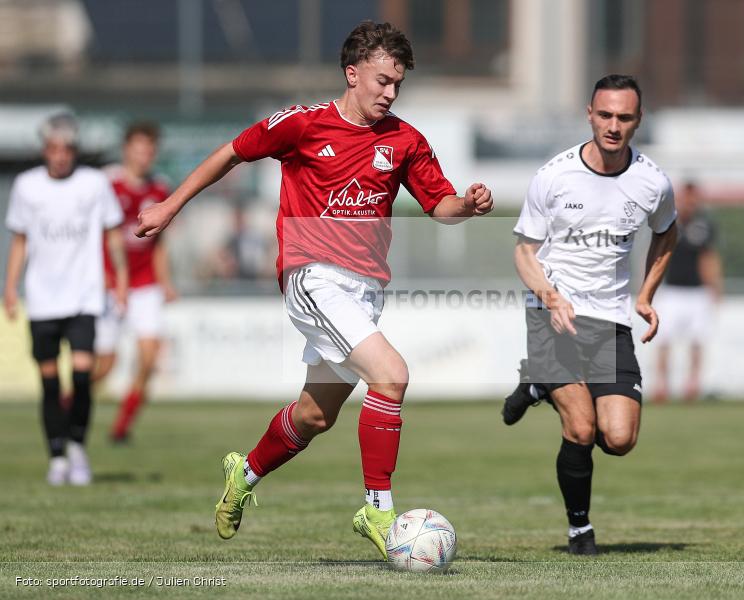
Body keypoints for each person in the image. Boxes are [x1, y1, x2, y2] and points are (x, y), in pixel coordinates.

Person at [134, 21, 493, 559]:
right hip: (312, 275)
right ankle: (378, 510)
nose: (390, 93)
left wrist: (467, 205)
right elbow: (230, 153)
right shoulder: (301, 125)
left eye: (397, 84)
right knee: (391, 376)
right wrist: (169, 206)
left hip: (365, 289)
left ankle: (244, 473)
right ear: (353, 74)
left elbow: (438, 206)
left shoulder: (406, 140)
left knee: (314, 416)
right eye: (381, 81)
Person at [501, 75, 677, 554]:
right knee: (580, 428)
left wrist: (645, 295)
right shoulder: (554, 176)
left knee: (618, 438)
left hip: (611, 320)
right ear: (589, 114)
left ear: (638, 120)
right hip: (552, 313)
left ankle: (535, 386)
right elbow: (524, 251)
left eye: (624, 117)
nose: (613, 126)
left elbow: (667, 233)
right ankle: (580, 530)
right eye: (605, 115)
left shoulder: (653, 182)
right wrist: (551, 297)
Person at [3, 114, 128, 485]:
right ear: (45, 150)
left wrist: (120, 280)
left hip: (84, 295)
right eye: (54, 149)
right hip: (42, 298)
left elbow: (112, 234)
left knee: (82, 374)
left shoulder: (94, 184)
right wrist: (11, 287)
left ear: (75, 150)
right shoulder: (27, 187)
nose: (60, 156)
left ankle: (77, 447)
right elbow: (20, 240)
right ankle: (56, 455)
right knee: (49, 382)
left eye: (67, 149)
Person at [93, 121, 176, 443]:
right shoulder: (106, 183)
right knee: (104, 365)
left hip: (145, 284)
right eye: (140, 148)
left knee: (149, 357)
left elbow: (159, 242)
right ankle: (69, 406)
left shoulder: (159, 188)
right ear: (127, 149)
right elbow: (92, 234)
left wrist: (165, 281)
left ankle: (121, 428)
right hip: (110, 285)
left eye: (150, 150)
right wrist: (98, 274)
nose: (145, 156)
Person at [652, 181, 723, 403]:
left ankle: (692, 384)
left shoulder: (704, 227)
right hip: (672, 291)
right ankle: (661, 385)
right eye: (685, 199)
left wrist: (716, 287)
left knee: (697, 341)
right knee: (663, 340)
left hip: (698, 293)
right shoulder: (668, 224)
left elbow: (709, 258)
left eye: (693, 199)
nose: (689, 204)